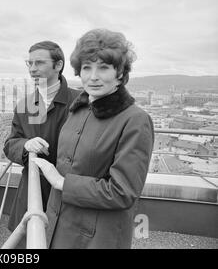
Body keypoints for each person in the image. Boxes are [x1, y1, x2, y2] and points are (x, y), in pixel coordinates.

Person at [33, 29, 154, 249]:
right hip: (57, 226)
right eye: (87, 67)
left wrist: (62, 182)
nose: (93, 76)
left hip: (95, 238)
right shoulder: (78, 109)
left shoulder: (136, 120)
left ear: (120, 73)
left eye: (104, 67)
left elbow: (122, 192)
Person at [3, 41, 81, 244]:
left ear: (58, 65)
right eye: (29, 63)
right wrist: (25, 145)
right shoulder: (24, 105)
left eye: (39, 63)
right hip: (32, 191)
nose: (32, 69)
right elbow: (10, 143)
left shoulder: (81, 102)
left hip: (68, 193)